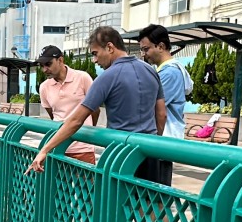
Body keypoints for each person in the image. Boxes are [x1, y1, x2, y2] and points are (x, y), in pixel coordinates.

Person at [27, 26, 167, 184]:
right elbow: (161, 114)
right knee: (150, 204)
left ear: (109, 47)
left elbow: (76, 120)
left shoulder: (108, 76)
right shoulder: (150, 71)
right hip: (149, 151)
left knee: (117, 204)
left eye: (95, 53)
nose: (94, 60)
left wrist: (45, 149)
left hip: (121, 153)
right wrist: (154, 143)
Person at [37, 45, 99, 164]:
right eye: (41, 66)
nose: (44, 69)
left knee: (86, 182)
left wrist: (86, 130)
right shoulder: (44, 87)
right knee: (57, 182)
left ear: (60, 60)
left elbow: (95, 110)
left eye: (48, 64)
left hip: (82, 148)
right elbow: (53, 115)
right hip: (58, 147)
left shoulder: (82, 78)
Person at [139, 24, 186, 140]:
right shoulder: (163, 71)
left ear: (161, 46)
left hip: (165, 137)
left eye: (146, 49)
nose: (144, 54)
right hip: (164, 137)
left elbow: (148, 105)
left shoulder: (170, 73)